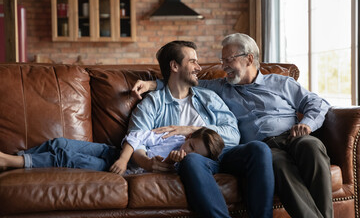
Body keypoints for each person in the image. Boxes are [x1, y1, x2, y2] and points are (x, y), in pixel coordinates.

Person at [133, 34, 332, 218]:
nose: (223, 66)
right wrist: (153, 85)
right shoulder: (218, 87)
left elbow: (318, 104)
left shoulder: (280, 83)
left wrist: (306, 124)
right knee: (271, 157)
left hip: (292, 136)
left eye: (228, 60)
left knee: (311, 146)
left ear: (249, 59)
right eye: (222, 60)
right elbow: (180, 83)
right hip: (263, 148)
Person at [128, 40, 274, 218]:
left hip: (223, 154)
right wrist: (147, 162)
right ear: (174, 66)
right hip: (192, 162)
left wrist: (188, 129)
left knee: (259, 148)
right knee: (192, 159)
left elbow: (233, 134)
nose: (199, 67)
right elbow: (135, 140)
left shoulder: (209, 97)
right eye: (193, 62)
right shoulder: (153, 103)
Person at [0, 127, 223, 174]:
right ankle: (14, 160)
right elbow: (138, 135)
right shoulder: (174, 137)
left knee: (65, 157)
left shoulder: (183, 165)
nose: (188, 152)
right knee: (59, 143)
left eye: (195, 154)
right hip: (116, 153)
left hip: (115, 170)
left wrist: (177, 163)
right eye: (190, 146)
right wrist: (126, 158)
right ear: (189, 137)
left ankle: (8, 163)